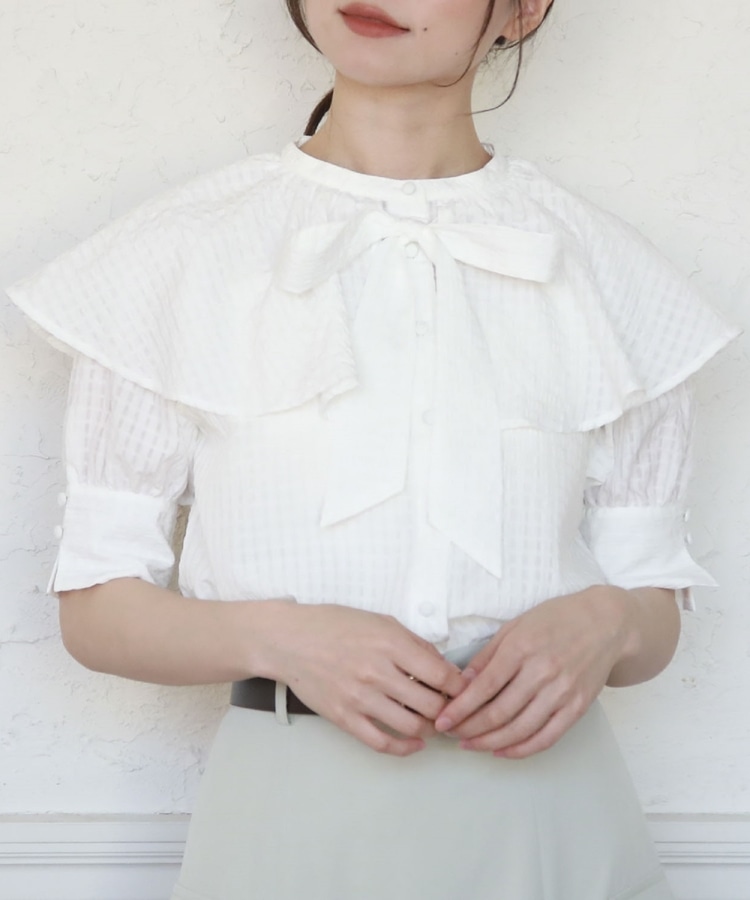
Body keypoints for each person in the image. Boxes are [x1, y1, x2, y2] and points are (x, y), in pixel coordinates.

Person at [6, 1, 740, 897]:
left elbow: (652, 614)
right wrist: (284, 638)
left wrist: (609, 621)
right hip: (287, 820)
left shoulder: (614, 276)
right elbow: (96, 610)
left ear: (521, 10)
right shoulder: (172, 258)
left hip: (556, 822)